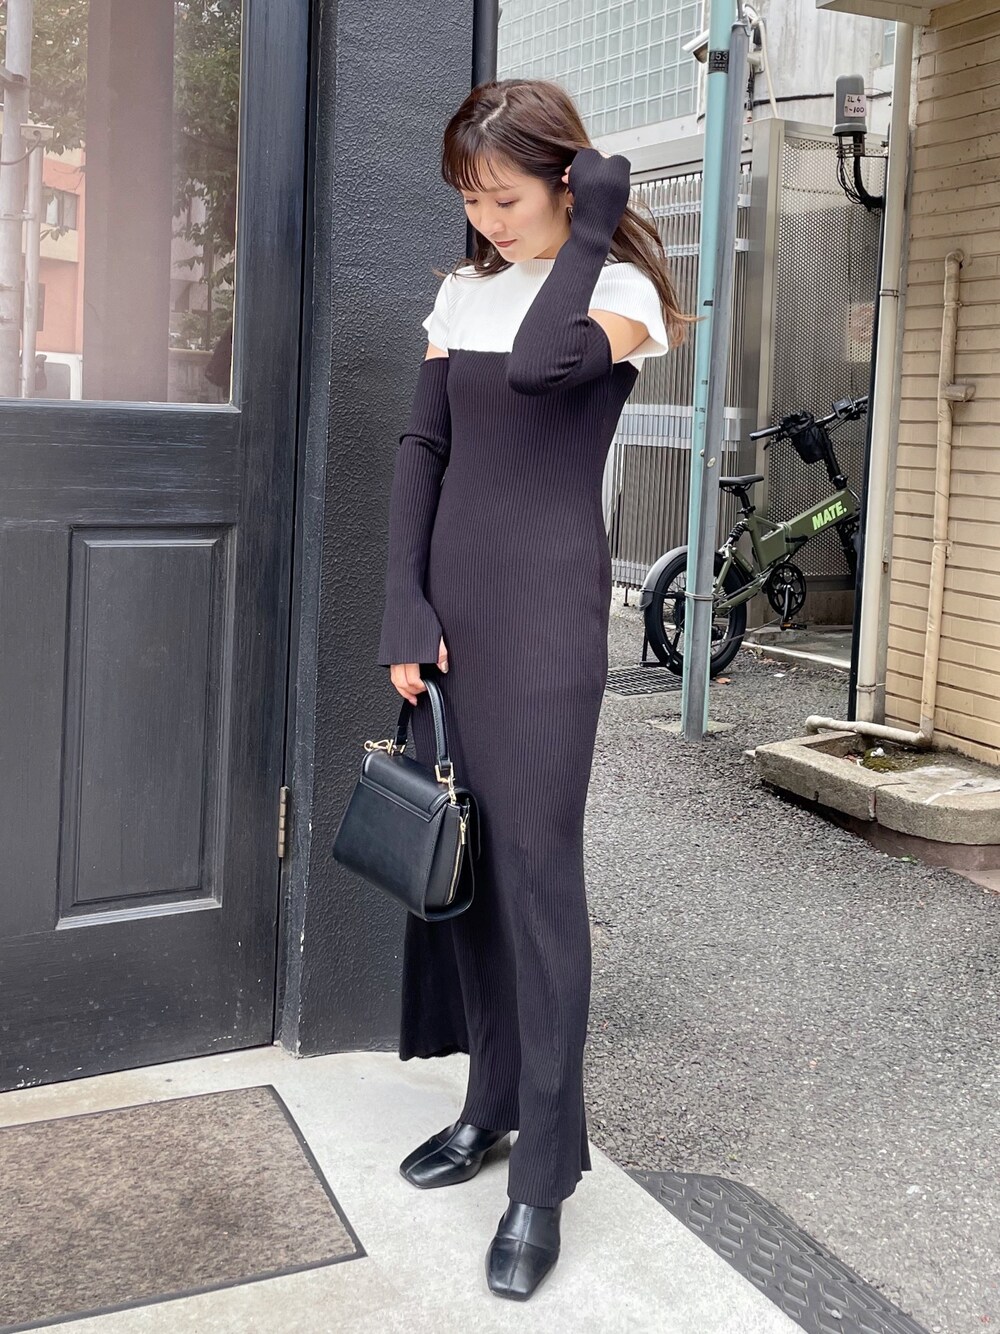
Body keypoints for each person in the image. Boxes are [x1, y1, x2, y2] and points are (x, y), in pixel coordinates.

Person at [376, 78, 692, 1301]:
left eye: (505, 197)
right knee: (464, 875)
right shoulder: (461, 294)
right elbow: (425, 447)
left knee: (539, 883)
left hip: (549, 618)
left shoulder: (622, 294)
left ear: (570, 181)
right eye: (470, 200)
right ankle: (489, 1104)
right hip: (448, 623)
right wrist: (404, 606)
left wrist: (597, 229)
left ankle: (542, 1177)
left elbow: (544, 371)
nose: (487, 220)